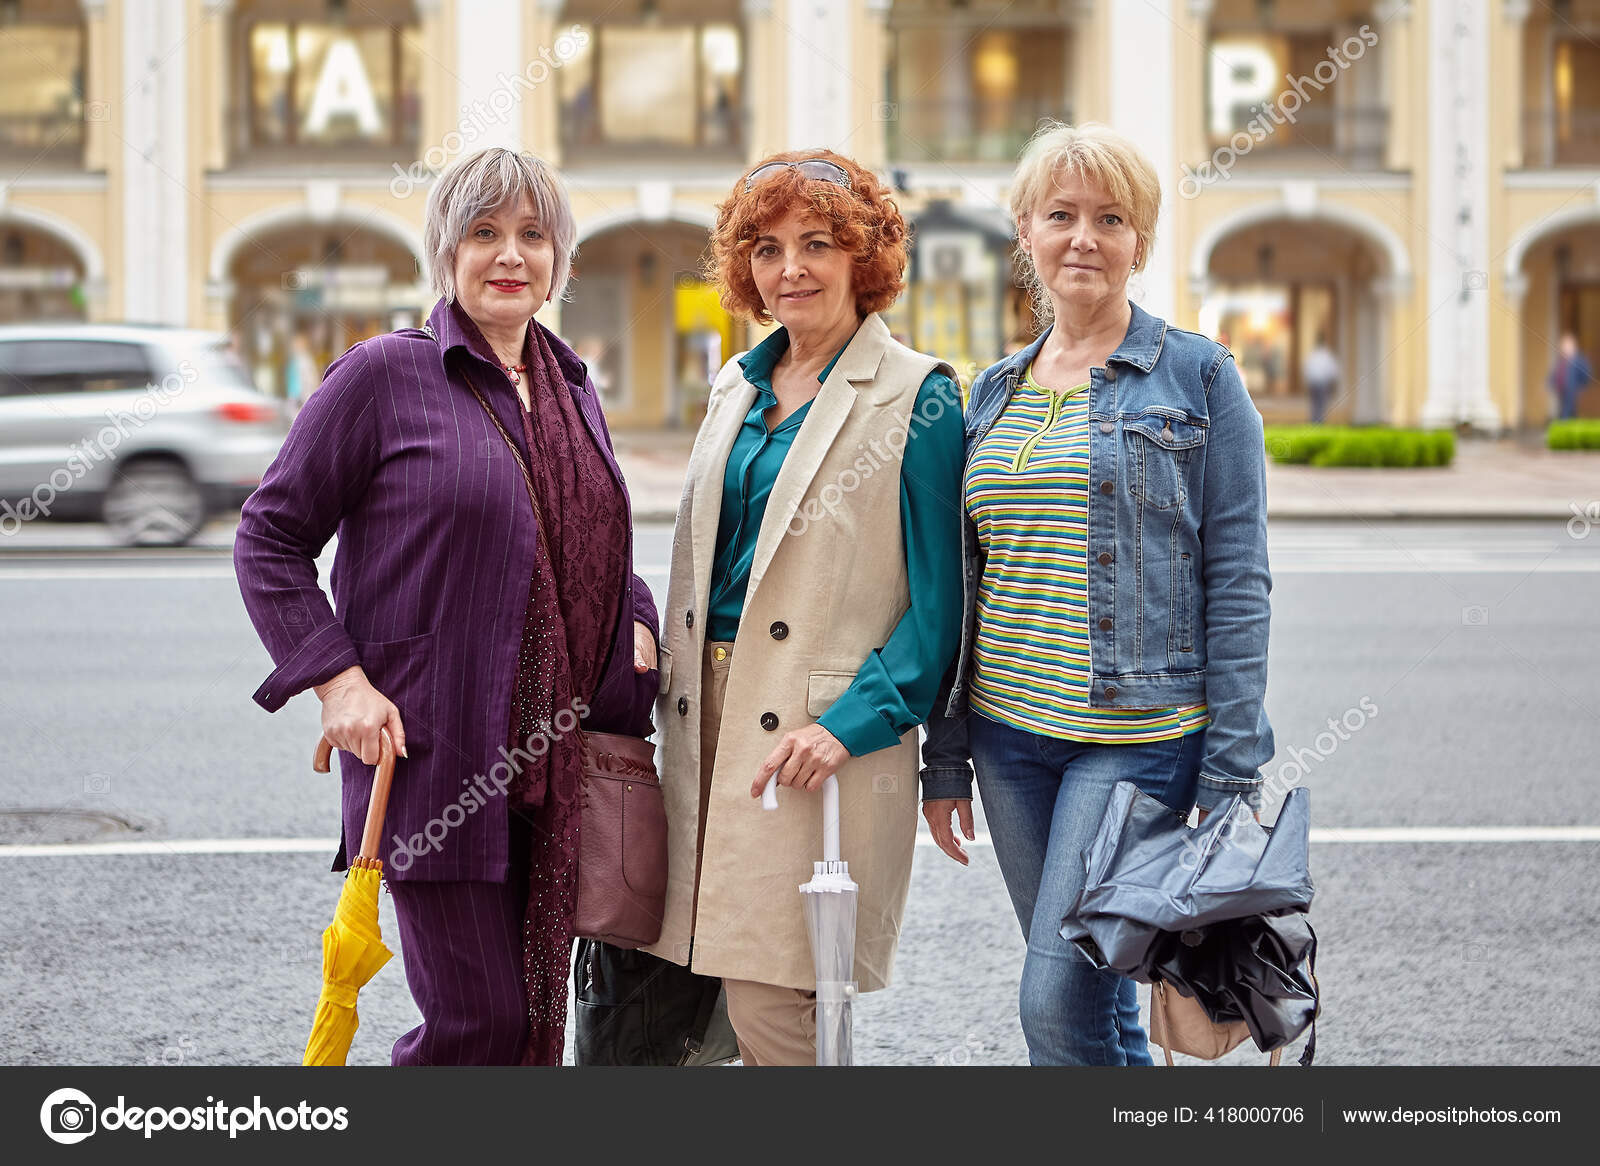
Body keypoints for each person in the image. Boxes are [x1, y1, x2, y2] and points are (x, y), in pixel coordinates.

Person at [233, 147, 660, 1066]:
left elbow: (589, 544)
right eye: (485, 234)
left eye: (533, 236)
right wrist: (338, 683)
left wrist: (641, 632)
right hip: (437, 756)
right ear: (447, 253)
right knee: (481, 1027)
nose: (511, 256)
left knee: (536, 1031)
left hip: (559, 761)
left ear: (560, 260)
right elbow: (268, 536)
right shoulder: (385, 375)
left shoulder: (571, 388)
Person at [921, 121, 1275, 1066]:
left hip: (1136, 741)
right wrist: (947, 756)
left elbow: (1238, 579)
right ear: (1026, 234)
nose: (1085, 236)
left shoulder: (1199, 377)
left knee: (1054, 1004)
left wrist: (1232, 768)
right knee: (1105, 995)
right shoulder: (990, 391)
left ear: (1140, 244)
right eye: (1062, 215)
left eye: (1111, 219)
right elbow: (967, 587)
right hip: (1008, 740)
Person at [643, 149, 965, 1065]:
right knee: (714, 993)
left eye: (818, 243)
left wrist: (853, 724)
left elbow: (942, 608)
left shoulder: (919, 393)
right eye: (769, 247)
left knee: (776, 1002)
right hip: (703, 719)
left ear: (864, 257)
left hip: (812, 734)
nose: (791, 269)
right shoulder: (736, 385)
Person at [1549, 332, 1593, 422]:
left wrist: (1581, 387)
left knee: (1567, 413)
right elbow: (1554, 375)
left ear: (1573, 346)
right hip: (1562, 392)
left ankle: (1565, 425)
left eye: (1567, 345)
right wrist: (1549, 384)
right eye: (1563, 345)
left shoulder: (1580, 360)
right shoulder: (1561, 361)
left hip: (1574, 392)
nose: (1565, 348)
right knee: (1569, 413)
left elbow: (1587, 374)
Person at [1303, 333, 1339, 423]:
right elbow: (1332, 370)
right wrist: (1332, 381)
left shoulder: (1313, 355)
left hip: (1314, 383)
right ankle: (1319, 421)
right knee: (1321, 404)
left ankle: (1315, 420)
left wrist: (1308, 381)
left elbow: (1307, 369)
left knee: (1315, 404)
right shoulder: (1326, 355)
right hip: (1322, 383)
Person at [283, 331, 321, 415]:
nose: (295, 346)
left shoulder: (306, 360)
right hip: (293, 394)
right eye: (294, 344)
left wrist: (311, 393)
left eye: (297, 344)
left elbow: (311, 377)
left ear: (303, 345)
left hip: (302, 395)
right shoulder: (294, 359)